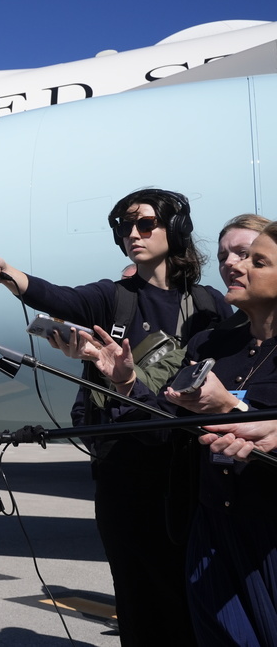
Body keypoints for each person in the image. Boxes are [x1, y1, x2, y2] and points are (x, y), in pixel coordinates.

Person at [0, 188, 230, 646]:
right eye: (124, 227)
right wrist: (10, 275)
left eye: (145, 224)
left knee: (198, 596)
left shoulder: (212, 306)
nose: (133, 234)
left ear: (177, 228)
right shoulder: (115, 298)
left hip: (192, 470)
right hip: (126, 474)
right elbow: (59, 297)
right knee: (138, 597)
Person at [88, 220, 277, 646]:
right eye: (227, 256)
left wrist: (232, 408)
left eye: (253, 259)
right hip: (212, 533)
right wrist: (125, 382)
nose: (232, 266)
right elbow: (167, 429)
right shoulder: (210, 345)